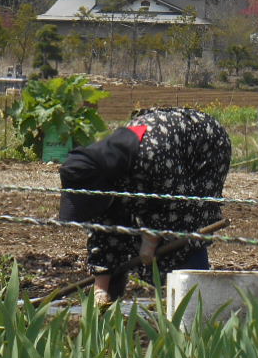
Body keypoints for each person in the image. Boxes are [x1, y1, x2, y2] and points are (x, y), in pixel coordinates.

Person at [57, 107, 230, 305]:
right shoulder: (106, 171)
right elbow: (102, 228)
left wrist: (150, 239)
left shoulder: (151, 156)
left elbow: (175, 202)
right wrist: (99, 288)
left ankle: (195, 295)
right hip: (161, 162)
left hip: (204, 147)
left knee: (187, 225)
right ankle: (110, 294)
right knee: (115, 218)